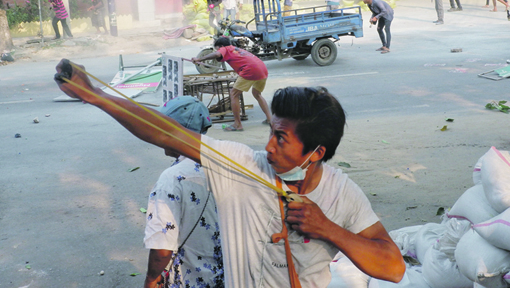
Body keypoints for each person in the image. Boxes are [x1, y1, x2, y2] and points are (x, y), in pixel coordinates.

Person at [54, 61, 405, 287]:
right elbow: (166, 132)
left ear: (316, 153)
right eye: (271, 131)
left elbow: (394, 268)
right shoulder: (244, 166)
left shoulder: (342, 193)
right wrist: (96, 95)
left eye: (281, 139)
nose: (268, 147)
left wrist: (327, 228)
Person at [143, 96, 225, 288]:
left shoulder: (171, 180)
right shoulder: (227, 162)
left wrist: (151, 280)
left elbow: (162, 249)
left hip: (191, 281)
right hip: (230, 275)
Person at [194, 37, 272, 131]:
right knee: (257, 94)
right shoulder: (235, 49)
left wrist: (200, 59)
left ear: (222, 46)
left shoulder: (225, 48)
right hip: (262, 68)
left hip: (250, 70)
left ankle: (237, 124)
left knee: (234, 94)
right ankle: (270, 119)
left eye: (218, 48)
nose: (218, 50)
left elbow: (217, 54)